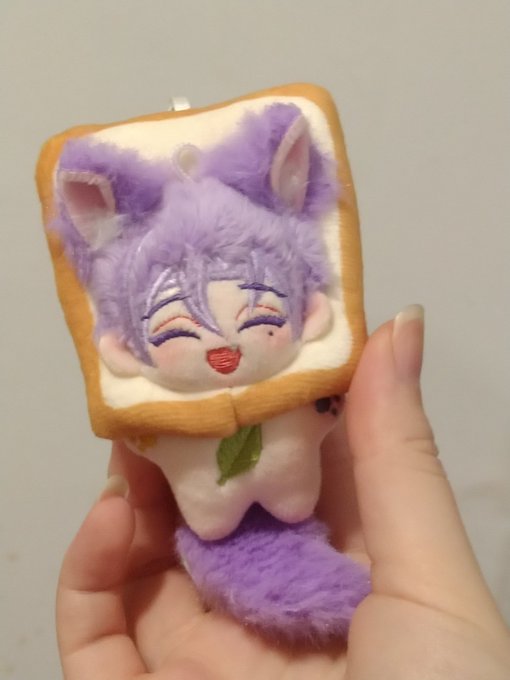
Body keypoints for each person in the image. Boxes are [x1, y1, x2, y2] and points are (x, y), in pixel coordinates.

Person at [56, 307, 510, 679]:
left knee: (286, 496)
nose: (222, 348)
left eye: (257, 317)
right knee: (212, 513)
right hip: (211, 509)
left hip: (288, 493)